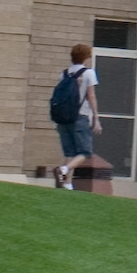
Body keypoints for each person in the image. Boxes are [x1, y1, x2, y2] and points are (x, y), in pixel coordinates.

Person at [47, 42, 99, 187]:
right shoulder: (89, 73)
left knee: (69, 152)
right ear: (86, 57)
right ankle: (63, 170)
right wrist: (96, 118)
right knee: (85, 152)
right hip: (80, 116)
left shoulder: (63, 74)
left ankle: (67, 184)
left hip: (63, 118)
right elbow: (91, 96)